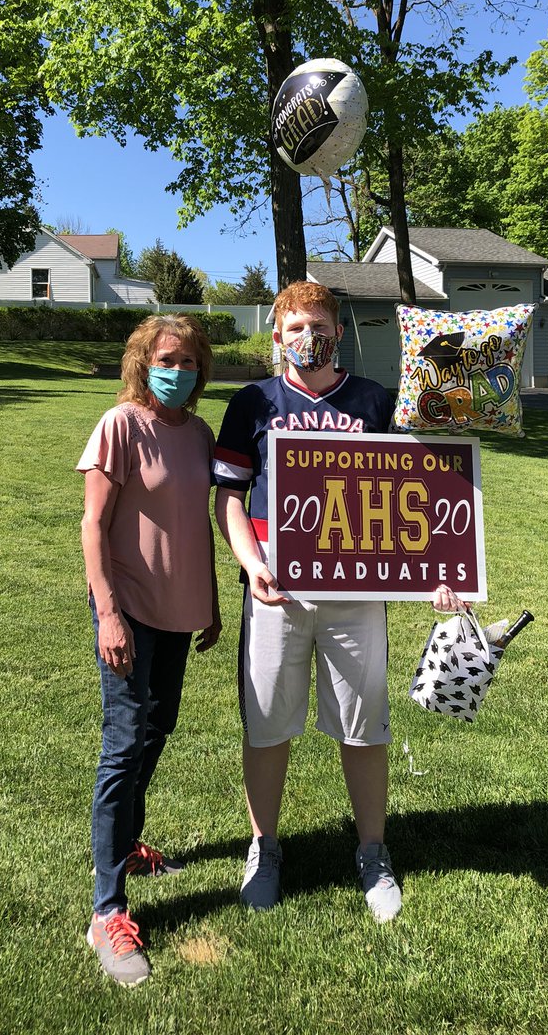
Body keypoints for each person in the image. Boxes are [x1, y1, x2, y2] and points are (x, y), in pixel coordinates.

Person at [213, 282, 461, 923]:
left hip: (356, 595)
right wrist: (251, 562)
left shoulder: (374, 401)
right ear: (276, 334)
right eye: (295, 325)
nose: (307, 336)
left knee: (364, 724)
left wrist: (435, 570)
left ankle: (372, 851)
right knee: (268, 727)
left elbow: (421, 492)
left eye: (318, 324)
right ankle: (264, 848)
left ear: (339, 332)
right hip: (277, 591)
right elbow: (229, 499)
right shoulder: (252, 403)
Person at [77, 314, 221, 986]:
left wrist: (213, 603)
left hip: (180, 610)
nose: (179, 370)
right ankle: (107, 911)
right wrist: (107, 613)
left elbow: (198, 526)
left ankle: (127, 845)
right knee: (125, 740)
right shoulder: (120, 426)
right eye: (168, 358)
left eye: (190, 361)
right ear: (143, 362)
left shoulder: (199, 435)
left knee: (158, 730)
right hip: (128, 610)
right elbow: (93, 524)